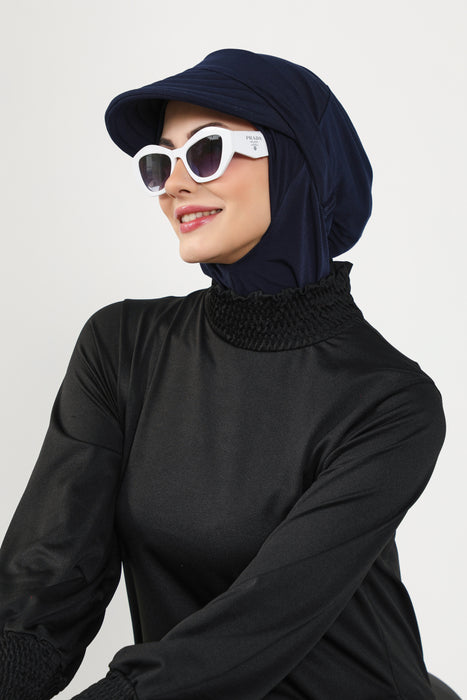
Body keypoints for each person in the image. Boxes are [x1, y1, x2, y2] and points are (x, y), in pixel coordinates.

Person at [0, 49, 446, 699]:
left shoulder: (390, 400)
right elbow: (45, 582)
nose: (173, 185)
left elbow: (259, 623)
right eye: (160, 162)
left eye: (206, 151)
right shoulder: (120, 346)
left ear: (297, 165)